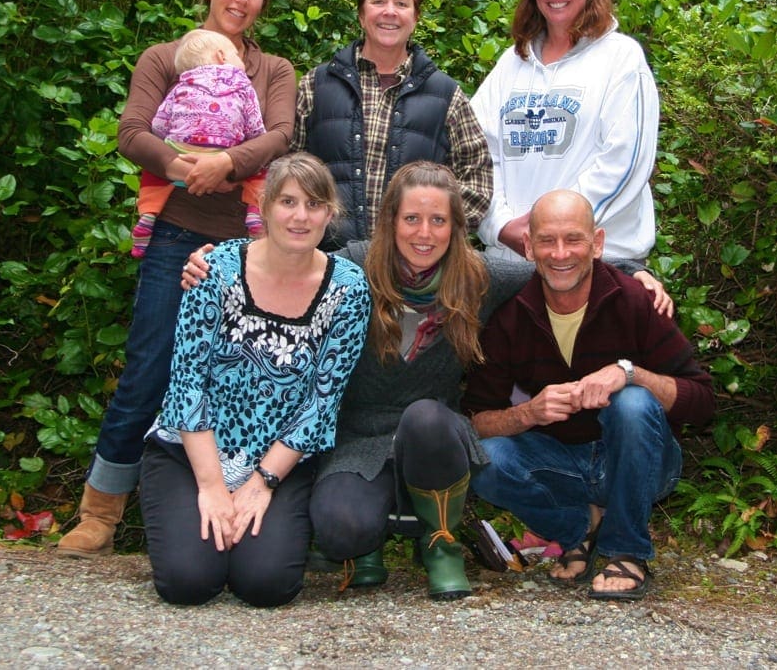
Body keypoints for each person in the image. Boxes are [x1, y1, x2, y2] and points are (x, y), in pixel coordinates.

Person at [183, 161, 532, 600]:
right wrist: (212, 265)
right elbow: (288, 265)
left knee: (426, 418)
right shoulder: (352, 267)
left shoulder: (479, 276)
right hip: (358, 435)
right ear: (390, 220)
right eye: (411, 218)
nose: (424, 233)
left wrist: (625, 281)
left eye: (438, 220)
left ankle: (440, 543)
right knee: (340, 528)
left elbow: (562, 272)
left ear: (457, 226)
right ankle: (368, 544)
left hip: (434, 435)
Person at [57, 0, 297, 559]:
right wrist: (187, 169)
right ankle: (100, 513)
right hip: (175, 236)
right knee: (150, 368)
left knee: (240, 378)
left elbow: (279, 134)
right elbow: (132, 132)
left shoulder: (273, 70)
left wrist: (228, 163)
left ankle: (233, 515)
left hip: (250, 247)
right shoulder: (164, 58)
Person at [139, 153, 371, 608]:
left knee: (266, 585)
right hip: (191, 451)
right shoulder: (214, 269)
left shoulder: (348, 288)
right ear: (264, 206)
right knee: (189, 582)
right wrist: (212, 487)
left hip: (278, 462)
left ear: (330, 214)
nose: (300, 216)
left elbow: (322, 402)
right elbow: (187, 383)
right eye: (288, 201)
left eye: (314, 204)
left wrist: (262, 481)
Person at [461, 190, 716, 601]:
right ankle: (577, 530)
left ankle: (626, 551)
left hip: (638, 464)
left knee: (633, 402)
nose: (561, 253)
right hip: (560, 464)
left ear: (597, 243)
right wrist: (529, 412)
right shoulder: (510, 317)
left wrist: (630, 374)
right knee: (483, 458)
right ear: (528, 246)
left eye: (573, 239)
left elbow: (702, 401)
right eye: (547, 240)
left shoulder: (634, 300)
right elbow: (476, 419)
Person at [471, 0, 667, 300]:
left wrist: (554, 232)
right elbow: (477, 153)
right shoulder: (512, 63)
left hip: (597, 264)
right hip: (511, 265)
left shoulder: (621, 58)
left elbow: (624, 161)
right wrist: (500, 226)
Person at [293, 0, 492, 250]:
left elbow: (478, 178)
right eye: (378, 1)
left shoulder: (446, 95)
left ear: (415, 17)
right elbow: (286, 172)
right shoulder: (317, 85)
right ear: (361, 14)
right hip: (327, 263)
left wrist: (432, 232)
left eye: (401, 3)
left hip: (410, 267)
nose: (390, 12)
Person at [131, 28, 268, 257]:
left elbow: (159, 124)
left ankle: (148, 213)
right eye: (236, 55)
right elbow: (255, 127)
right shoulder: (243, 85)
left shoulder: (181, 86)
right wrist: (249, 143)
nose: (241, 61)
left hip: (182, 152)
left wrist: (169, 141)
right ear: (221, 56)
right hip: (224, 153)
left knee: (153, 171)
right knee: (260, 168)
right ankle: (254, 213)